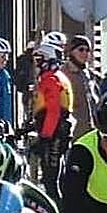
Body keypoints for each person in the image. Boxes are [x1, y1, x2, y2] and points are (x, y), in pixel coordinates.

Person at [28, 43, 74, 200]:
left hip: (54, 135)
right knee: (55, 177)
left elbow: (53, 111)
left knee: (50, 179)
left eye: (40, 60)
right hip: (59, 132)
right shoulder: (60, 77)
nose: (37, 64)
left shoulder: (51, 80)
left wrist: (45, 137)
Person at [63, 36, 100, 137]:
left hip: (92, 132)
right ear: (71, 51)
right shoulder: (63, 74)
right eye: (81, 49)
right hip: (72, 133)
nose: (85, 53)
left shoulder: (91, 75)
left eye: (88, 50)